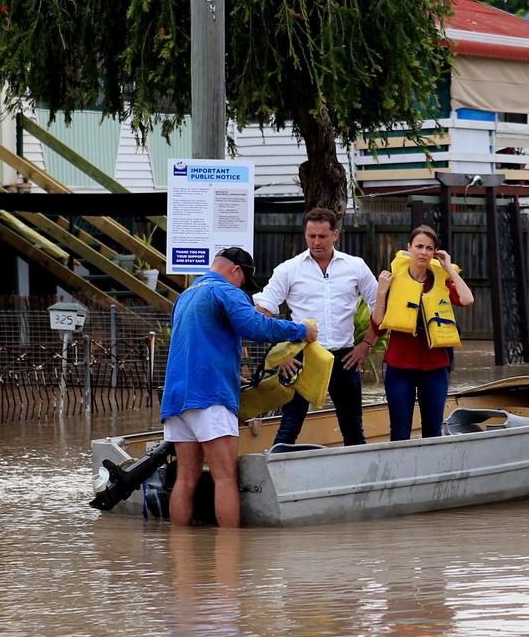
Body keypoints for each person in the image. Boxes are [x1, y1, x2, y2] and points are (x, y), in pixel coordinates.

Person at [161, 247, 317, 528]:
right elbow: (256, 326)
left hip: (175, 399)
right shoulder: (226, 292)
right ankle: (228, 560)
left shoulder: (184, 297)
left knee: (185, 478)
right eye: (244, 281)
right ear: (235, 271)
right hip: (210, 397)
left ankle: (180, 555)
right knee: (224, 477)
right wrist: (301, 330)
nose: (243, 288)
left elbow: (202, 342)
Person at [253, 207, 379, 447]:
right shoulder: (289, 269)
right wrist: (280, 354)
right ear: (305, 234)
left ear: (335, 235)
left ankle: (360, 480)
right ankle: (279, 476)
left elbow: (380, 307)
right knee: (289, 426)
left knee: (353, 428)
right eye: (311, 236)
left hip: (344, 357)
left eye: (322, 236)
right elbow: (262, 312)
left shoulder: (356, 266)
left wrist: (367, 344)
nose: (316, 242)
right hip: (302, 357)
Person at [371, 225, 475, 441]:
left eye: (429, 248)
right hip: (400, 368)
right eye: (419, 246)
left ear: (434, 252)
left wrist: (448, 267)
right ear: (409, 248)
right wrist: (381, 292)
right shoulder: (392, 280)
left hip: (435, 368)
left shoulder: (441, 280)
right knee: (400, 432)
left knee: (433, 431)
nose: (424, 252)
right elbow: (378, 328)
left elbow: (467, 299)